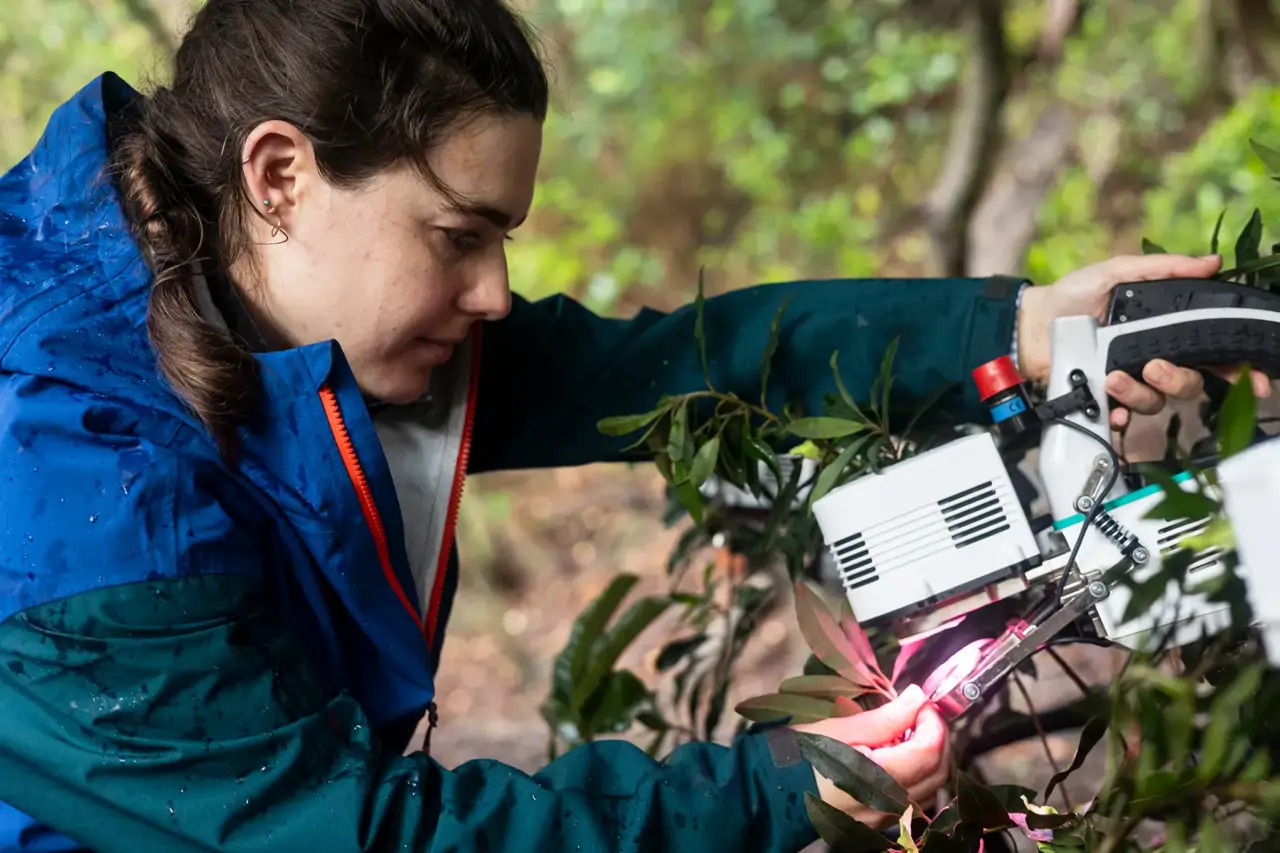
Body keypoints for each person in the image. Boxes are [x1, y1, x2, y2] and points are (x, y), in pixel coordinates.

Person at [0, 1, 1267, 851]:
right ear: (280, 175)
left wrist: (1015, 327)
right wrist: (758, 794)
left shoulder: (257, 297)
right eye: (458, 236)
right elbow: (353, 832)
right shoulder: (71, 495)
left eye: (503, 239)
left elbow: (667, 369)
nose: (493, 294)